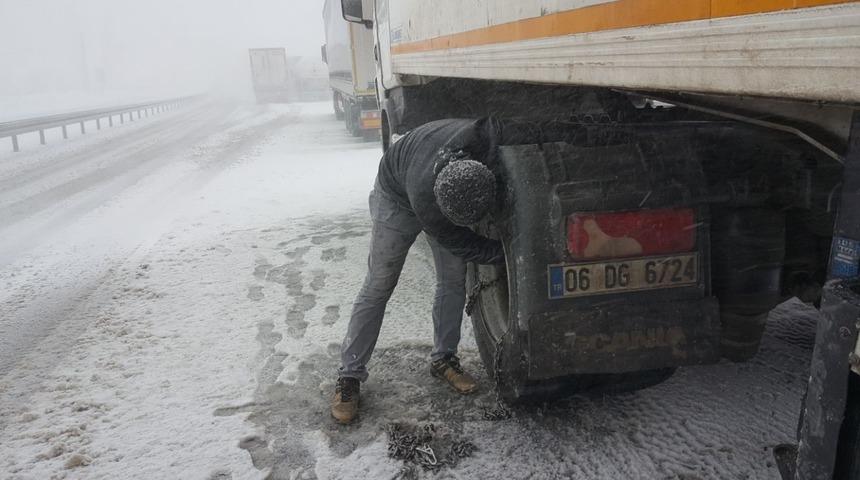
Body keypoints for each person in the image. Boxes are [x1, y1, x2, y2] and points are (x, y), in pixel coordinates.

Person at [331, 118, 506, 424]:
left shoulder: (484, 141)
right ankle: (350, 376)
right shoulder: (426, 199)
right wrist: (508, 256)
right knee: (380, 283)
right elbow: (465, 245)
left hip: (437, 175)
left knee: (453, 280)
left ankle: (444, 360)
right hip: (396, 197)